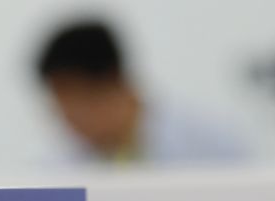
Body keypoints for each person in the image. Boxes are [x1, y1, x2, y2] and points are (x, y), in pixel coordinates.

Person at [34, 18, 249, 166]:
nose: (66, 119)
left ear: (112, 84)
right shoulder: (61, 164)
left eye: (70, 103)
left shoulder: (210, 140)